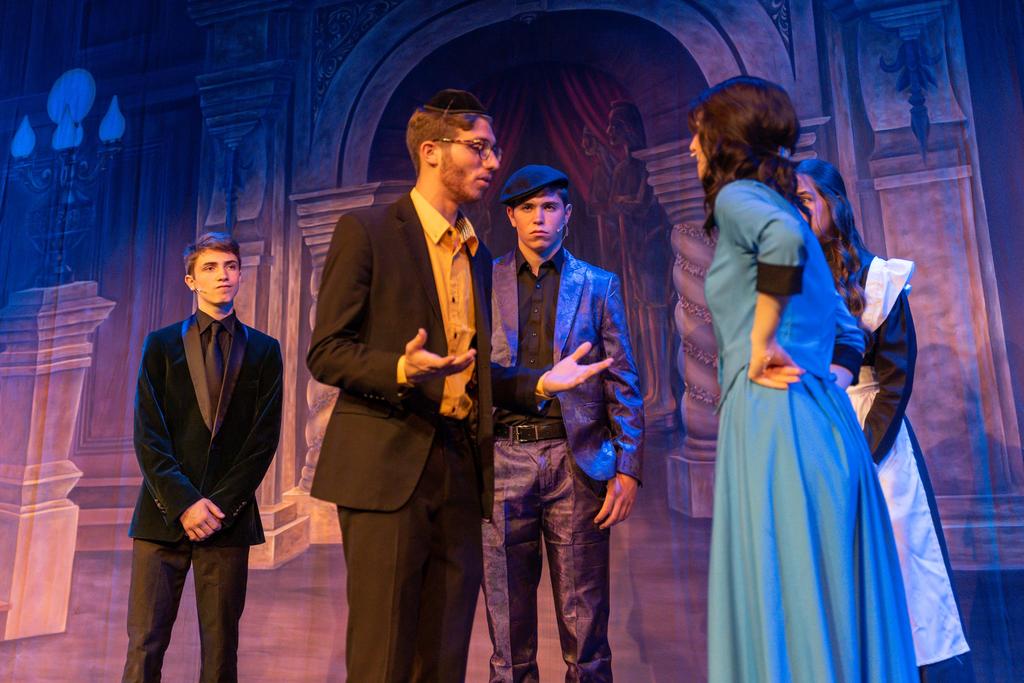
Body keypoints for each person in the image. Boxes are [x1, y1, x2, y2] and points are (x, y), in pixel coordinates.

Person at [306, 90, 612, 683]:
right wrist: (401, 369)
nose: (493, 162)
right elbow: (327, 351)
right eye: (479, 148)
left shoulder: (476, 252)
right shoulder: (368, 231)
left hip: (460, 467)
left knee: (445, 656)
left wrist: (541, 382)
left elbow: (471, 371)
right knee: (384, 657)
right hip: (387, 467)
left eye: (494, 149)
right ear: (431, 151)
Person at [688, 76, 917, 682]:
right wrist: (824, 379)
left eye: (698, 133)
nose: (691, 147)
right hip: (820, 422)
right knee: (823, 595)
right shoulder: (782, 205)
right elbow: (846, 330)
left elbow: (783, 245)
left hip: (775, 422)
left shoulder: (741, 200)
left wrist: (761, 341)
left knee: (786, 592)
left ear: (726, 137)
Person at [796, 158, 972, 679]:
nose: (796, 213)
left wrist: (861, 454)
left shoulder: (878, 279)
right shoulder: (790, 282)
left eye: (805, 200)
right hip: (814, 436)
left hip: (874, 436)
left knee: (901, 559)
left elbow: (895, 380)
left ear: (834, 204)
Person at [483, 165, 645, 682]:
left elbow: (622, 380)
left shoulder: (598, 285)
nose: (539, 218)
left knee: (586, 628)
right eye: (528, 208)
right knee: (508, 636)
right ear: (511, 216)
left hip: (574, 462)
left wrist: (628, 468)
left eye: (549, 207)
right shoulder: (483, 281)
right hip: (501, 459)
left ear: (567, 215)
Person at [122, 232, 283, 683]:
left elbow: (262, 439)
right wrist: (184, 503)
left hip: (226, 521)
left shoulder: (265, 350)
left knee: (220, 652)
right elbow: (149, 434)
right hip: (163, 516)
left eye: (230, 266)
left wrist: (217, 508)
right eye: (210, 268)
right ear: (190, 280)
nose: (222, 275)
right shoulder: (160, 344)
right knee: (145, 646)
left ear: (240, 275)